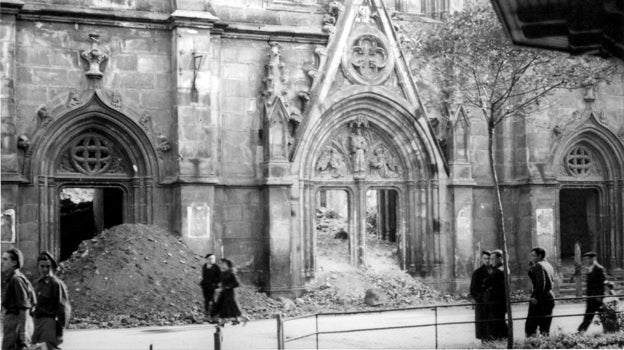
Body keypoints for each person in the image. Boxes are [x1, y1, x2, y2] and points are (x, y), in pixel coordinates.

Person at [32, 251, 72, 350]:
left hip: (48, 324)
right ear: (38, 266)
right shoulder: (36, 284)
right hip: (35, 323)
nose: (45, 269)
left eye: (48, 266)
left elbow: (63, 309)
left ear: (52, 267)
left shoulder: (56, 284)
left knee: (48, 348)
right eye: (42, 266)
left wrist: (60, 332)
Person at [1, 248, 36, 350]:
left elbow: (24, 307)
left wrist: (23, 332)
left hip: (16, 323)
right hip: (14, 323)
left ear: (14, 263)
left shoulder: (16, 280)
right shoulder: (13, 278)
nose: (1, 262)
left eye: (5, 259)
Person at [525, 247, 556, 337]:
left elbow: (541, 283)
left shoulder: (539, 265)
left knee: (530, 326)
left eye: (534, 256)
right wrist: (531, 270)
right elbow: (540, 280)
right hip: (549, 297)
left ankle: (532, 345)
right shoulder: (548, 264)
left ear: (540, 256)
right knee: (545, 326)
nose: (532, 258)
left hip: (540, 298)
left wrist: (536, 297)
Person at [577, 251, 606, 333]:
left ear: (593, 259)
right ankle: (581, 331)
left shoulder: (599, 268)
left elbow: (602, 283)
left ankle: (581, 332)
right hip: (591, 298)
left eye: (587, 259)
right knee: (589, 316)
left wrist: (599, 296)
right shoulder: (590, 268)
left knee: (602, 316)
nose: (585, 261)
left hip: (597, 298)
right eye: (584, 259)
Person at [483, 249, 508, 340]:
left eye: (493, 259)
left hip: (495, 302)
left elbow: (486, 283)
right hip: (501, 301)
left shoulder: (498, 271)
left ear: (500, 258)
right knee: (500, 322)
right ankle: (504, 340)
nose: (491, 261)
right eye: (490, 259)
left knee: (496, 324)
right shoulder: (504, 268)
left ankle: (500, 341)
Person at [214, 259, 247, 326]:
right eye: (222, 263)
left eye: (224, 264)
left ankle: (243, 318)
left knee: (231, 308)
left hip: (229, 294)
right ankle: (223, 321)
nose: (222, 265)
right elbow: (223, 282)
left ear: (228, 265)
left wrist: (226, 287)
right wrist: (219, 286)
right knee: (225, 308)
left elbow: (236, 284)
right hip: (223, 293)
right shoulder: (223, 273)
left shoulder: (231, 273)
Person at [469, 250, 491, 341]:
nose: (487, 261)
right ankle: (484, 343)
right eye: (485, 258)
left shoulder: (495, 271)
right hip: (482, 303)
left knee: (491, 325)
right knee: (483, 325)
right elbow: (473, 289)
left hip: (491, 302)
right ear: (482, 259)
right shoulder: (477, 272)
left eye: (489, 258)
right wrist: (480, 298)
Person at [200, 253, 221, 323]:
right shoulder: (204, 266)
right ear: (206, 260)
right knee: (206, 301)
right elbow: (204, 276)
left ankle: (215, 318)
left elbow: (219, 278)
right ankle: (207, 317)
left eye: (213, 259)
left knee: (214, 302)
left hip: (213, 287)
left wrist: (216, 286)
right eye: (210, 259)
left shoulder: (217, 267)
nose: (212, 260)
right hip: (206, 287)